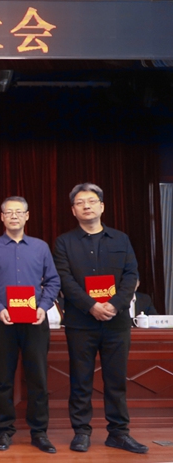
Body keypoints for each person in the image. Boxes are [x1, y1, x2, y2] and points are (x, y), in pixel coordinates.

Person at [53, 183, 149, 454]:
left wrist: (114, 305)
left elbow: (131, 276)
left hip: (116, 323)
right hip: (80, 322)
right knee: (80, 380)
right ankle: (81, 432)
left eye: (92, 201)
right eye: (80, 202)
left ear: (102, 206)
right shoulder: (64, 242)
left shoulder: (121, 239)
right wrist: (91, 306)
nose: (87, 206)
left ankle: (118, 433)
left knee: (116, 380)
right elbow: (65, 280)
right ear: (73, 210)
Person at [0, 196, 61, 453]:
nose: (14, 216)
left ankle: (39, 432)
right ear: (2, 217)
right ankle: (4, 431)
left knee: (38, 379)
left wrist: (43, 307)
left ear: (27, 216)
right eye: (9, 212)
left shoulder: (40, 247)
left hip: (35, 321)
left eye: (19, 212)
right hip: (3, 320)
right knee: (3, 378)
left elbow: (53, 281)